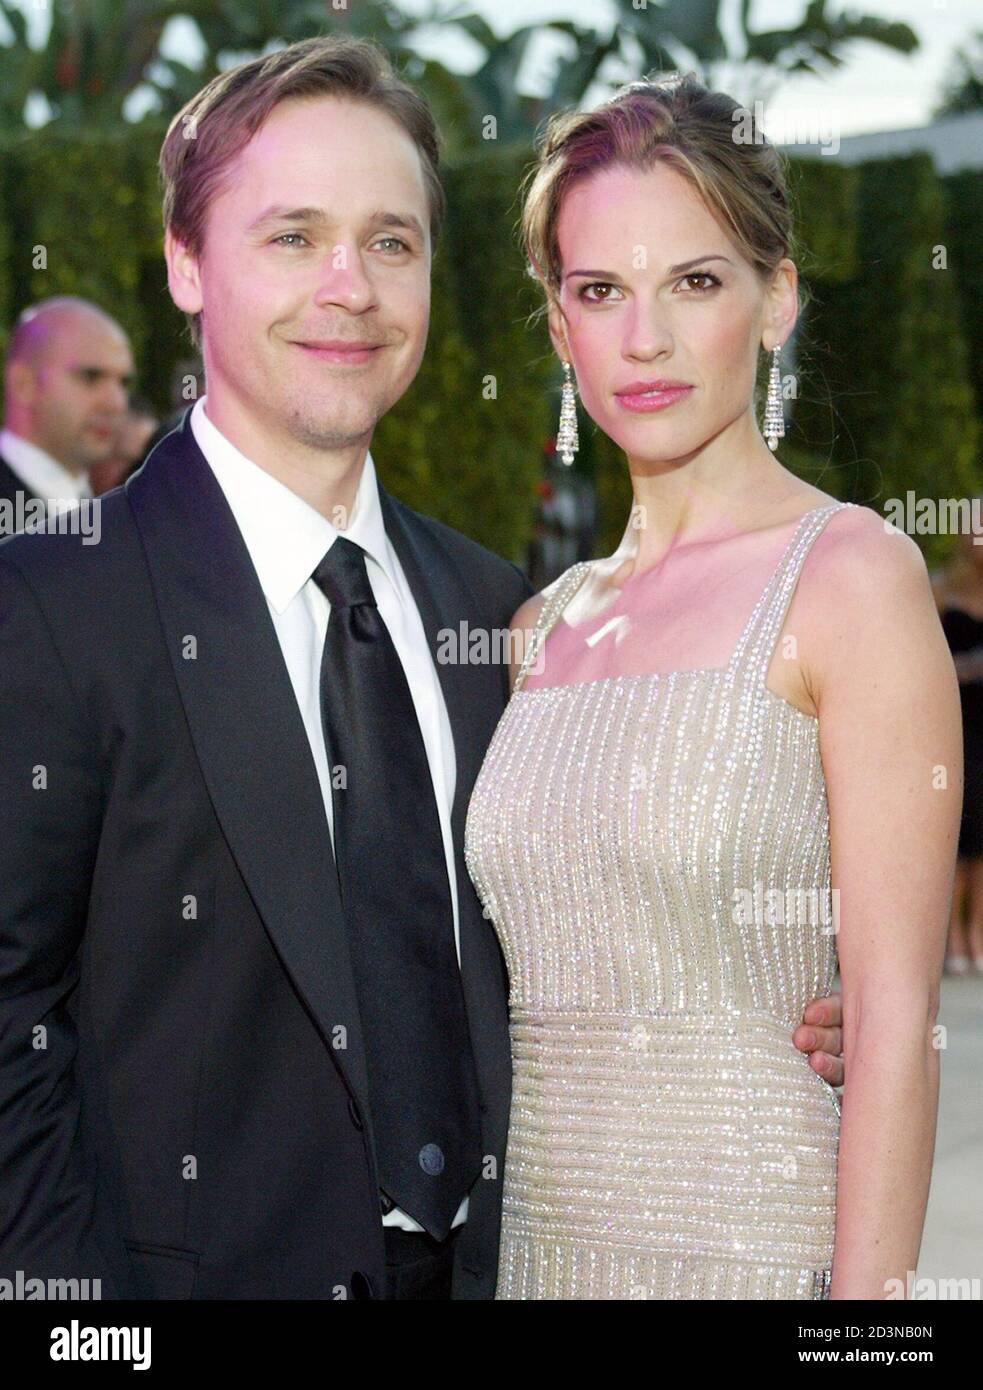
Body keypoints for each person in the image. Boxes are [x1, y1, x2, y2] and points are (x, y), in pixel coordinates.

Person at [0, 39, 845, 1302]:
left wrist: (787, 973)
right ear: (187, 263)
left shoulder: (491, 609)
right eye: (293, 237)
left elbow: (561, 916)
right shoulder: (54, 597)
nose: (349, 287)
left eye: (390, 242)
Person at [464, 74, 957, 1300]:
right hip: (534, 1258)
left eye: (693, 281)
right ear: (558, 321)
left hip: (755, 1256)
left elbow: (892, 1027)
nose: (644, 339)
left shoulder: (850, 579)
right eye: (598, 291)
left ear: (774, 298)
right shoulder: (537, 629)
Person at [0, 297, 133, 531]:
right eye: (91, 377)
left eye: (123, 382)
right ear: (24, 383)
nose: (117, 404)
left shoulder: (117, 520)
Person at [934, 512, 983, 973]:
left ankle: (976, 938)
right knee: (954, 836)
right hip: (953, 729)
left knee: (982, 841)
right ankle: (948, 940)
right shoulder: (939, 589)